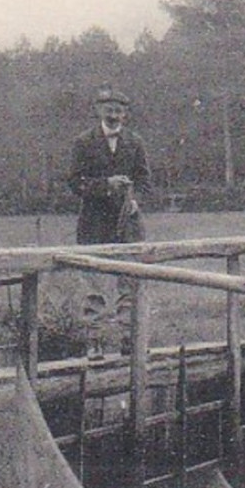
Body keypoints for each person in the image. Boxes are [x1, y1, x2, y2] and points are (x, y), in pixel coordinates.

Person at [68, 86, 151, 360]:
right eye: (109, 109)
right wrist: (105, 185)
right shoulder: (83, 142)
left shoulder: (135, 142)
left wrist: (135, 200)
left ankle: (130, 340)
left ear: (125, 114)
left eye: (119, 110)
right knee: (94, 287)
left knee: (130, 283)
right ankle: (95, 343)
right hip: (94, 223)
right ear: (98, 111)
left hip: (128, 225)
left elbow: (144, 180)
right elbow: (75, 182)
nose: (114, 115)